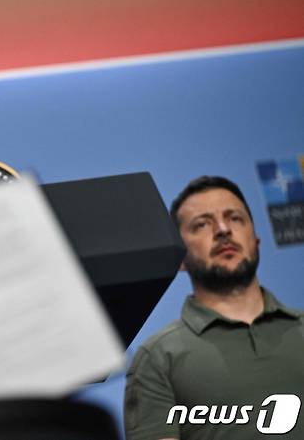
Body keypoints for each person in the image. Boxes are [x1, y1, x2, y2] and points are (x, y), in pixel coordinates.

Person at [124, 176, 304, 440]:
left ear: (256, 240)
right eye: (202, 224)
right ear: (180, 258)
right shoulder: (157, 358)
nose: (223, 230)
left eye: (235, 218)